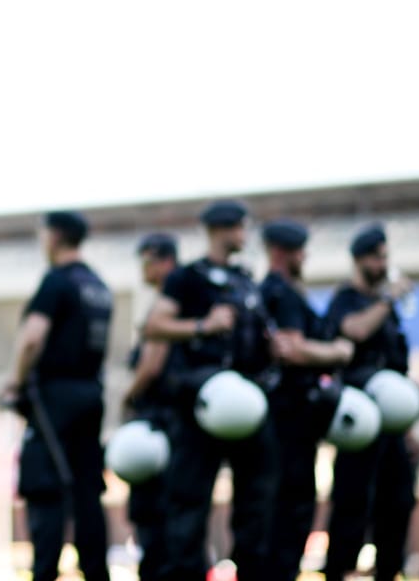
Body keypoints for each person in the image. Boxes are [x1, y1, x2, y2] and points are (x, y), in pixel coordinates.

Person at [144, 199, 279, 581]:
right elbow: (155, 324)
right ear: (223, 230)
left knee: (257, 502)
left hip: (249, 402)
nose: (244, 236)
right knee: (188, 502)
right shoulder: (186, 278)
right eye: (240, 228)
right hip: (199, 404)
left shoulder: (246, 279)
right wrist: (203, 326)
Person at [2, 211, 112, 581]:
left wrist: (14, 382)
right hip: (90, 395)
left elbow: (32, 336)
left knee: (45, 488)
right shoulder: (98, 285)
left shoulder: (57, 281)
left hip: (54, 400)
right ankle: (96, 572)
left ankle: (44, 573)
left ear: (56, 237)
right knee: (86, 494)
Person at [259, 220, 355, 581]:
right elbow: (293, 349)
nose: (306, 257)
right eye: (300, 251)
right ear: (283, 253)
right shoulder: (281, 293)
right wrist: (337, 352)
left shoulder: (278, 290)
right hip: (289, 417)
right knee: (291, 508)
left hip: (290, 418)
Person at [321, 224, 417, 581]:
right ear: (361, 259)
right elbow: (355, 330)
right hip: (359, 425)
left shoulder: (387, 311)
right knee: (352, 504)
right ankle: (340, 571)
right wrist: (388, 298)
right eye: (377, 257)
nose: (383, 264)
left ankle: (389, 571)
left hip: (392, 429)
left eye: (385, 257)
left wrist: (408, 430)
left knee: (399, 503)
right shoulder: (347, 299)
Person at [121, 232, 179, 581]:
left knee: (155, 521)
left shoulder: (169, 301)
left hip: (160, 424)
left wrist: (128, 395)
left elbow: (153, 363)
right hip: (171, 427)